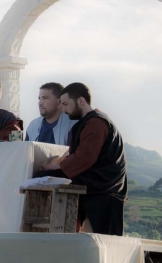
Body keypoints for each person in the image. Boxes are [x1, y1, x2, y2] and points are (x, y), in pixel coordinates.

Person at [40, 82, 127, 236]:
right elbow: (76, 152)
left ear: (81, 101)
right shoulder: (90, 121)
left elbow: (85, 157)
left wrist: (55, 167)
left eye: (66, 104)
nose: (63, 109)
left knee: (42, 178)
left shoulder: (96, 123)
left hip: (102, 186)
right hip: (97, 183)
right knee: (42, 176)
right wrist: (58, 162)